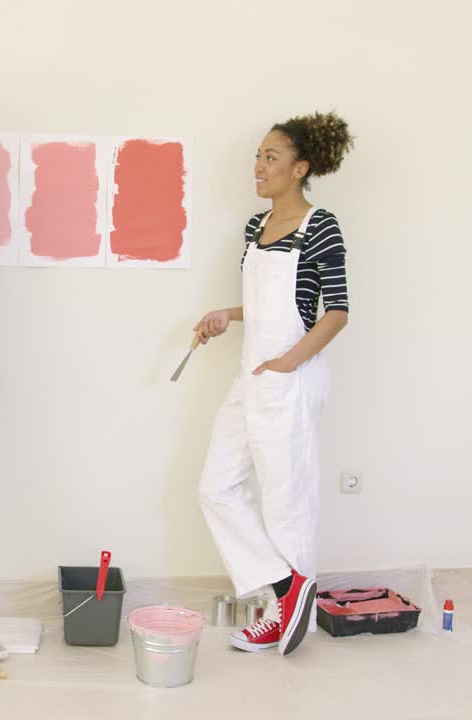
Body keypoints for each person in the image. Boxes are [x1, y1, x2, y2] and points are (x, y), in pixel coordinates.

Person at [195, 111, 354, 656]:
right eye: (257, 157)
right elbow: (264, 305)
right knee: (216, 486)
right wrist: (227, 314)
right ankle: (288, 589)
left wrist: (287, 364)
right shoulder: (253, 228)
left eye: (270, 157)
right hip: (251, 376)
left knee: (287, 505)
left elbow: (334, 312)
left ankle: (285, 617)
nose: (258, 167)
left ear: (300, 167)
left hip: (289, 378)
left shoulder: (320, 226)